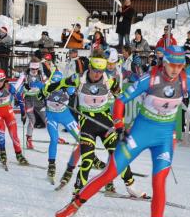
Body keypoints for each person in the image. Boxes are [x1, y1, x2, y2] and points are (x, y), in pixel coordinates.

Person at [51, 46, 190, 217]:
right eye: (172, 65)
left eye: (180, 66)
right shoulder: (150, 79)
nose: (175, 70)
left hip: (163, 138)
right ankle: (69, 208)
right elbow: (120, 100)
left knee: (159, 182)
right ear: (165, 62)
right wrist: (118, 124)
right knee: (109, 173)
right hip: (140, 134)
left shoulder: (186, 81)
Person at [43, 53, 144, 196]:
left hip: (104, 121)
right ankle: (78, 192)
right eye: (95, 70)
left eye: (101, 71)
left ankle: (130, 185)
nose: (97, 74)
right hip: (87, 122)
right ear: (90, 67)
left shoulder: (109, 81)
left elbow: (121, 101)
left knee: (118, 154)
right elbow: (59, 84)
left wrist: (119, 121)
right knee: (88, 159)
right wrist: (44, 91)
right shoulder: (78, 78)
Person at [39, 71, 80, 184]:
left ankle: (89, 158)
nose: (56, 86)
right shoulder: (47, 86)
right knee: (54, 139)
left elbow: (75, 89)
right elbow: (39, 95)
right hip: (51, 116)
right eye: (54, 83)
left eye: (58, 84)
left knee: (82, 139)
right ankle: (51, 165)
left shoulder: (68, 87)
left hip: (66, 115)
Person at [23, 58, 47, 149]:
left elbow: (48, 83)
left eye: (36, 69)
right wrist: (25, 88)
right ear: (30, 68)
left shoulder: (41, 75)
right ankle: (29, 140)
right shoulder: (25, 75)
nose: (34, 71)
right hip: (29, 100)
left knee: (47, 119)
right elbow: (18, 87)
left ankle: (55, 137)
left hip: (39, 101)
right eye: (32, 69)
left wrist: (43, 86)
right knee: (32, 120)